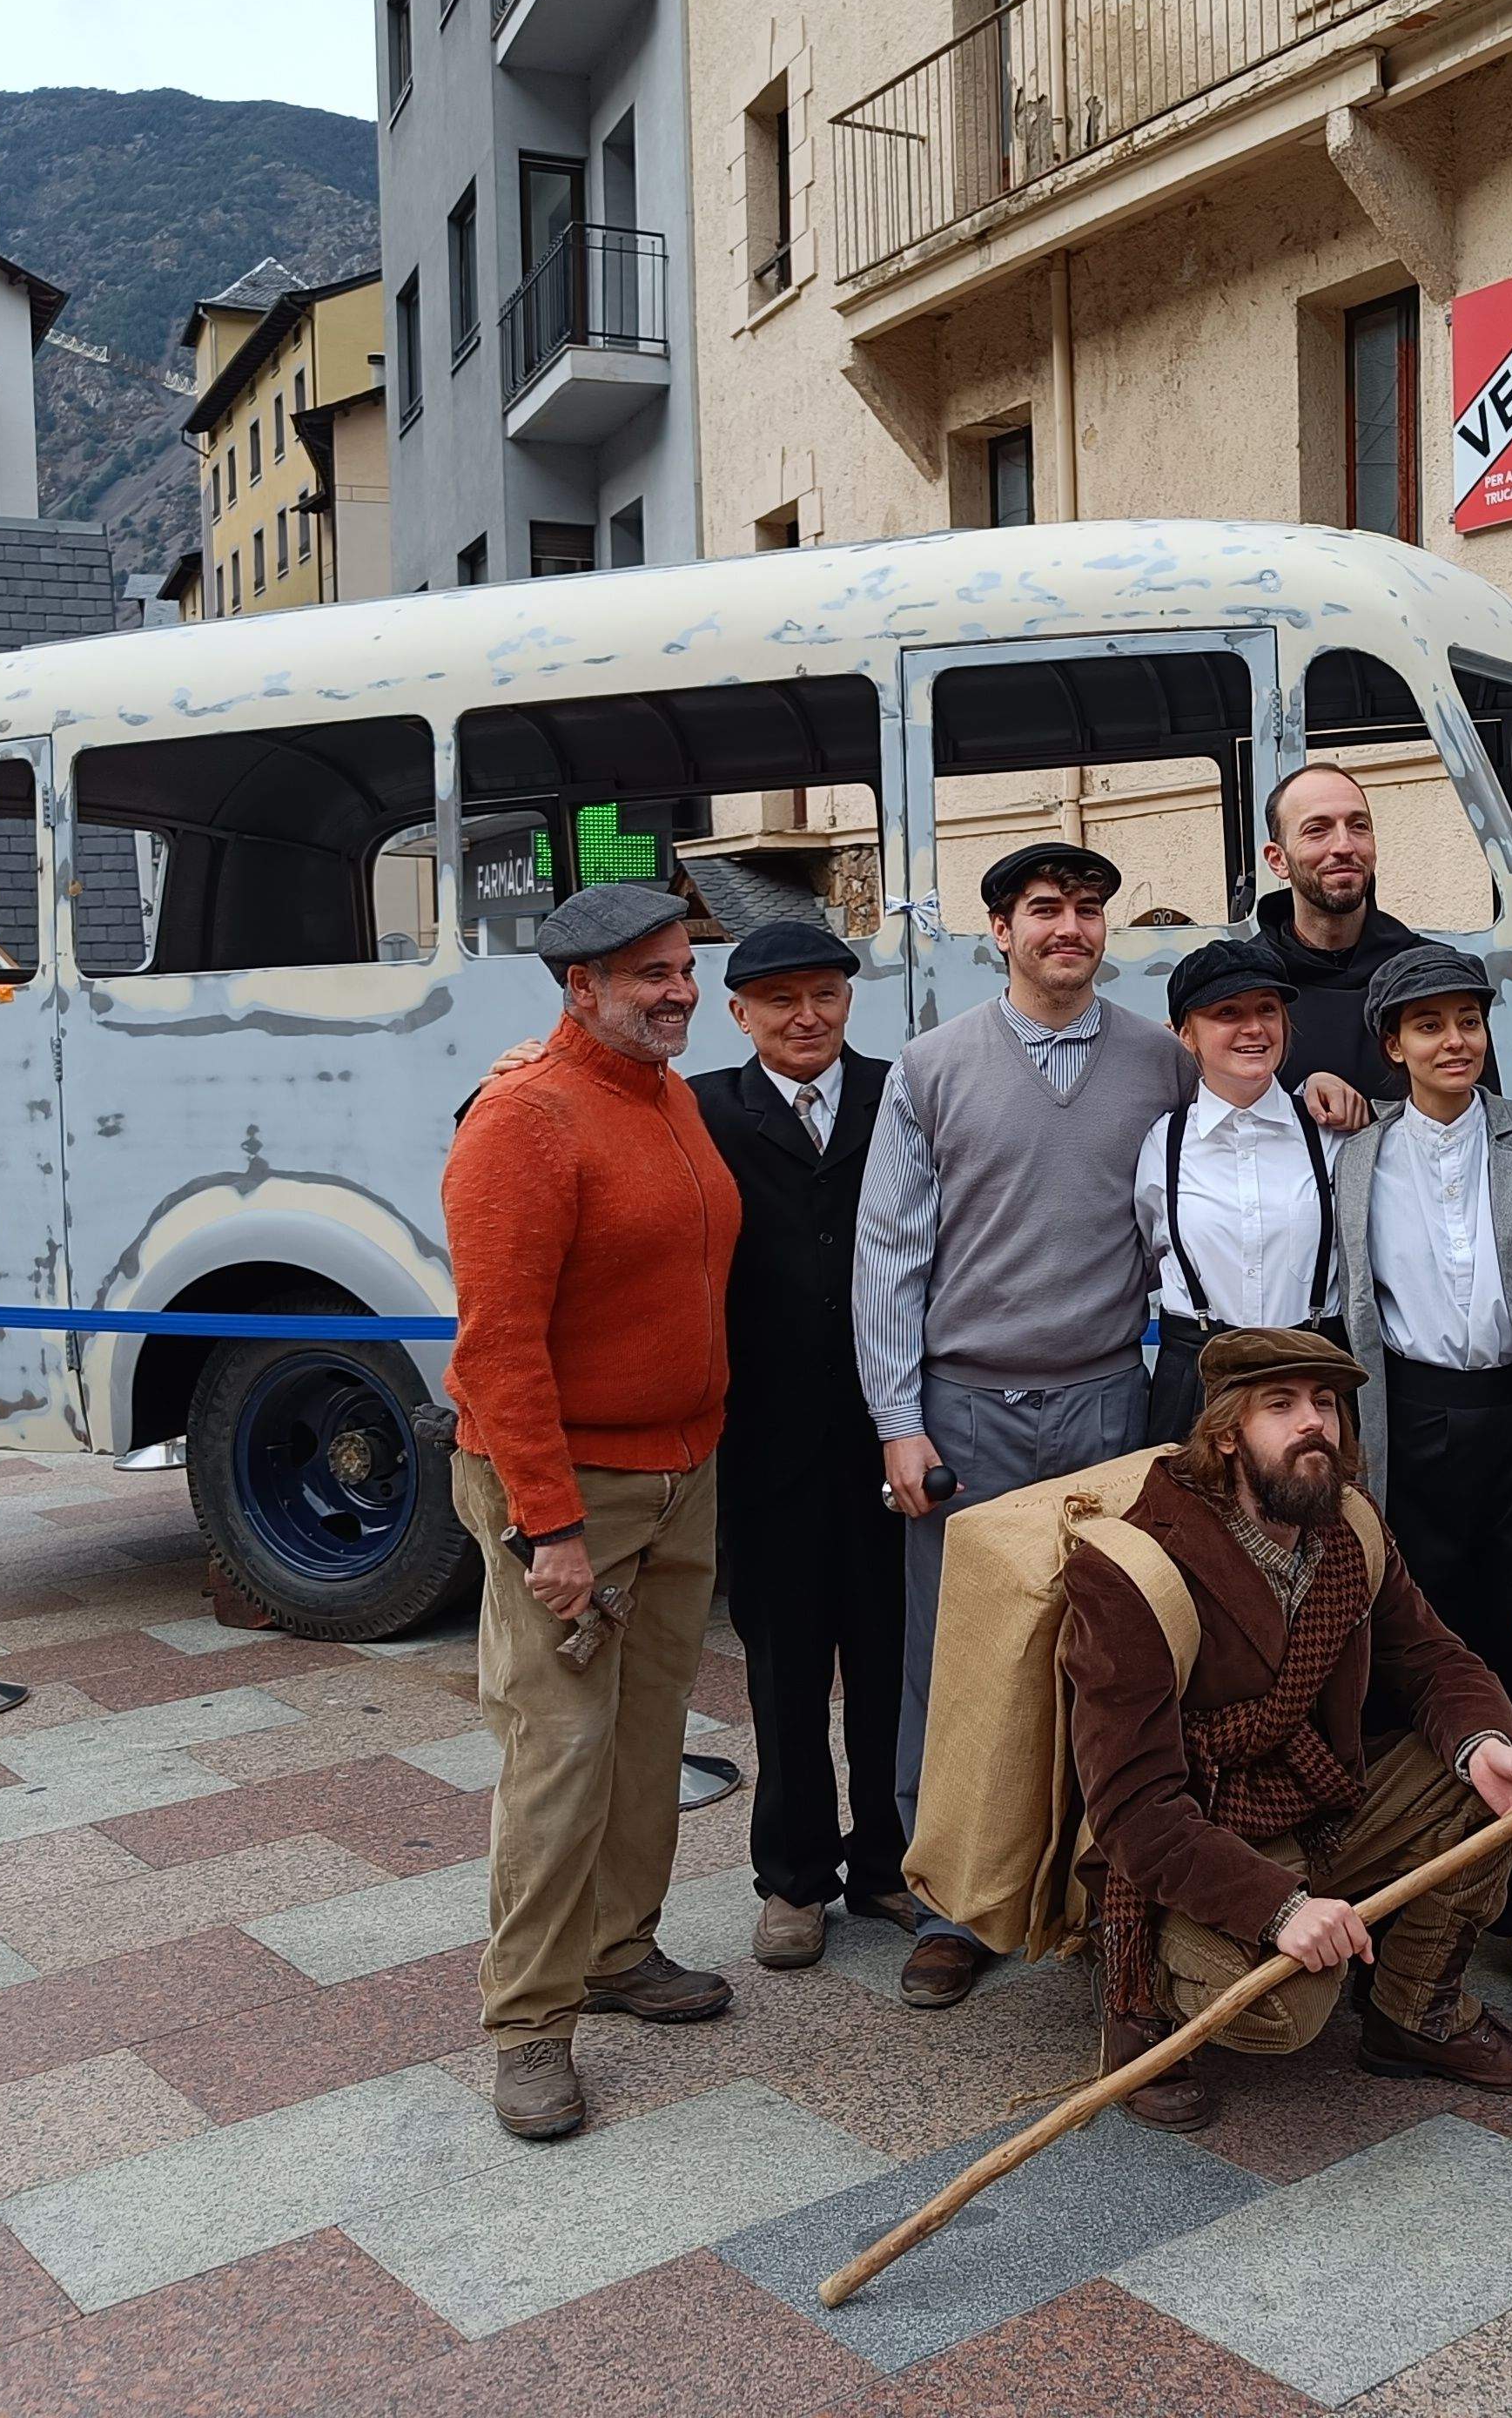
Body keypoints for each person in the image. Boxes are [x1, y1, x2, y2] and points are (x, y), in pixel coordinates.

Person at [1065, 1326, 1512, 2131]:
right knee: (1288, 2013)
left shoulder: (1347, 1524)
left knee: (1508, 1772)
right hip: (1203, 1831)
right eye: (1283, 1405)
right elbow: (1133, 1809)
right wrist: (1278, 1908)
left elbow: (1432, 1659)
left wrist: (1485, 1746)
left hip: (1319, 1804)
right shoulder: (1129, 1571)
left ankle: (1415, 2017)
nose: (1315, 1424)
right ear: (1228, 1432)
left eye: (1327, 1404)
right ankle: (1141, 1989)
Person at [857, 839, 1199, 2009]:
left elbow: (1222, 1176)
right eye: (1045, 909)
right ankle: (954, 1901)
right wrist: (901, 1422)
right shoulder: (933, 1068)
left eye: (1089, 909)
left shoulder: (1164, 1063)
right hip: (969, 1410)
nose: (1072, 928)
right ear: (997, 931)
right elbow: (890, 1259)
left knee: (1115, 1654)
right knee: (955, 1659)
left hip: (1109, 1398)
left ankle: (1103, 1890)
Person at [441, 883, 744, 2140]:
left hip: (680, 1478)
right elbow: (498, 1345)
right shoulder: (526, 1116)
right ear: (580, 990)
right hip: (573, 1494)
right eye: (647, 976)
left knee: (642, 1742)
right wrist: (548, 1525)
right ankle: (527, 2027)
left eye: (682, 967)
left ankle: (620, 1951)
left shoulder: (660, 1091)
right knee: (560, 1758)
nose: (679, 991)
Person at [1329, 941, 1512, 2017]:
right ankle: (1408, 1899)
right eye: (1426, 1026)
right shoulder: (1352, 1152)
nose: (1452, 1041)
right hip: (1408, 1426)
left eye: (1466, 1021)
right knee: (1411, 1664)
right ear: (1391, 1046)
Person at [688, 920, 908, 1975]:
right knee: (781, 1670)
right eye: (780, 1001)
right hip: (762, 1440)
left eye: (823, 995)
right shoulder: (698, 1110)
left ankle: (888, 1864)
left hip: (885, 1432)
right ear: (741, 1016)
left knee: (886, 1658)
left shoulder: (896, 1096)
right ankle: (792, 1880)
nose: (806, 1017)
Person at [1135, 940, 1341, 1446]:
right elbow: (1145, 1253)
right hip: (1197, 1385)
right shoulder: (1161, 1142)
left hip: (1312, 1380)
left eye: (1267, 1010)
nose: (1253, 1029)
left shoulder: (1330, 1134)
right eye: (1227, 1012)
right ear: (1186, 1034)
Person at [1254, 763, 1422, 1105]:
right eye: (1317, 830)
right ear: (1277, 860)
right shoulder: (1243, 987)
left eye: (1359, 826)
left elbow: (1478, 1119)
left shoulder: (1429, 975)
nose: (1344, 845)